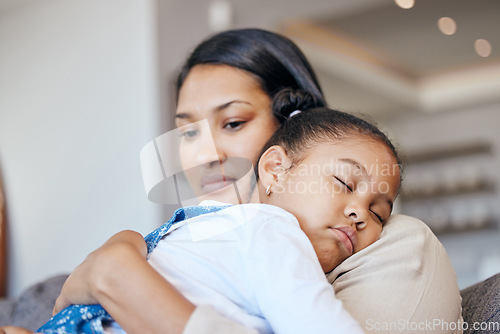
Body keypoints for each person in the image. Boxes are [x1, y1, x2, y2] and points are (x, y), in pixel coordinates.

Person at [0, 28, 462, 334]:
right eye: (187, 131)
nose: (205, 155)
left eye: (234, 123)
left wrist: (117, 274)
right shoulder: (189, 237)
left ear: (287, 140)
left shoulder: (392, 243)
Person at [36, 89, 401, 333]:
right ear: (275, 170)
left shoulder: (215, 231)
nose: (360, 214)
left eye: (379, 214)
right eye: (344, 183)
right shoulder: (274, 232)